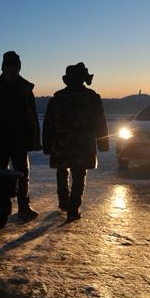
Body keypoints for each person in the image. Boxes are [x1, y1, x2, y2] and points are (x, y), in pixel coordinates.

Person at [0, 51, 42, 221]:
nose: (12, 70)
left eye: (15, 67)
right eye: (9, 67)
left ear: (19, 68)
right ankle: (2, 207)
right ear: (3, 68)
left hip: (20, 140)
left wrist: (34, 138)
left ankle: (23, 206)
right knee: (1, 174)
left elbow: (32, 115)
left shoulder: (25, 88)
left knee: (22, 174)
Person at [42, 62, 109, 221]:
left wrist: (47, 144)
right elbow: (100, 122)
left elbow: (48, 124)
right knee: (79, 175)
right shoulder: (91, 97)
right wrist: (103, 143)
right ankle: (73, 208)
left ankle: (64, 203)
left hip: (61, 145)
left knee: (62, 171)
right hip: (83, 144)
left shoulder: (57, 98)